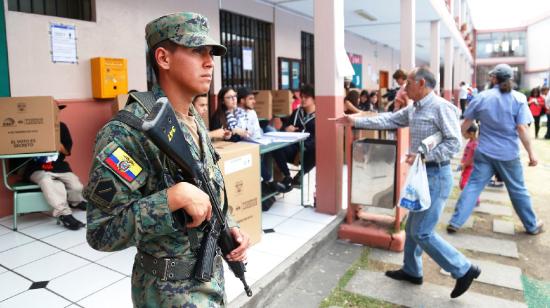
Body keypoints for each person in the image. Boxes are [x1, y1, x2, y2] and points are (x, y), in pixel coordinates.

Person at [84, 12, 250, 306]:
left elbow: (208, 185)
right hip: (167, 294)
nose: (209, 62)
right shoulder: (126, 133)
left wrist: (228, 224)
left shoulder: (194, 120)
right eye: (197, 51)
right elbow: (102, 232)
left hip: (210, 281)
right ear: (163, 58)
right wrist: (172, 199)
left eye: (210, 53)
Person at [332, 67, 481, 299]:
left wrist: (424, 156)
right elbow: (388, 119)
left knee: (422, 232)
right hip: (421, 175)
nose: (404, 88)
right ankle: (412, 271)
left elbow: (453, 144)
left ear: (421, 83)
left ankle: (463, 269)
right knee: (412, 228)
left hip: (437, 176)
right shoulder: (415, 108)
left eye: (408, 83)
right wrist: (354, 118)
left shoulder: (441, 107)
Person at [447, 63, 543, 235]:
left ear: (494, 78)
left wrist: (463, 134)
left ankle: (456, 221)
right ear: (510, 79)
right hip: (508, 154)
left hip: (484, 151)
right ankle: (531, 225)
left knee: (473, 185)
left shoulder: (482, 97)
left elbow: (466, 123)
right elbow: (522, 128)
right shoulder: (519, 99)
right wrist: (531, 153)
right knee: (517, 189)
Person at [25, 105, 87, 230]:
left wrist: (57, 144)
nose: (55, 113)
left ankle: (75, 202)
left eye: (57, 110)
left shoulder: (62, 127)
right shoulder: (29, 128)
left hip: (59, 167)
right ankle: (65, 214)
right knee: (46, 181)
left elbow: (67, 151)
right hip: (37, 168)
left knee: (77, 186)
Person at [274, 84, 316, 193]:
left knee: (317, 149)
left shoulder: (319, 115)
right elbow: (284, 127)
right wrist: (286, 129)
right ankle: (287, 176)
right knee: (276, 147)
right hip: (293, 148)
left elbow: (318, 137)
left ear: (314, 98)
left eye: (306, 97)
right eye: (301, 96)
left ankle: (298, 177)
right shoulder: (297, 112)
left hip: (308, 152)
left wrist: (306, 145)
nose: (302, 99)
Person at [448, 123, 479, 233]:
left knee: (464, 184)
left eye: (464, 133)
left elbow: (473, 158)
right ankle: (474, 199)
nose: (462, 135)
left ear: (470, 133)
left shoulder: (475, 144)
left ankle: (472, 199)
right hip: (466, 166)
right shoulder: (471, 142)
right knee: (464, 183)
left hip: (469, 167)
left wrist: (464, 164)